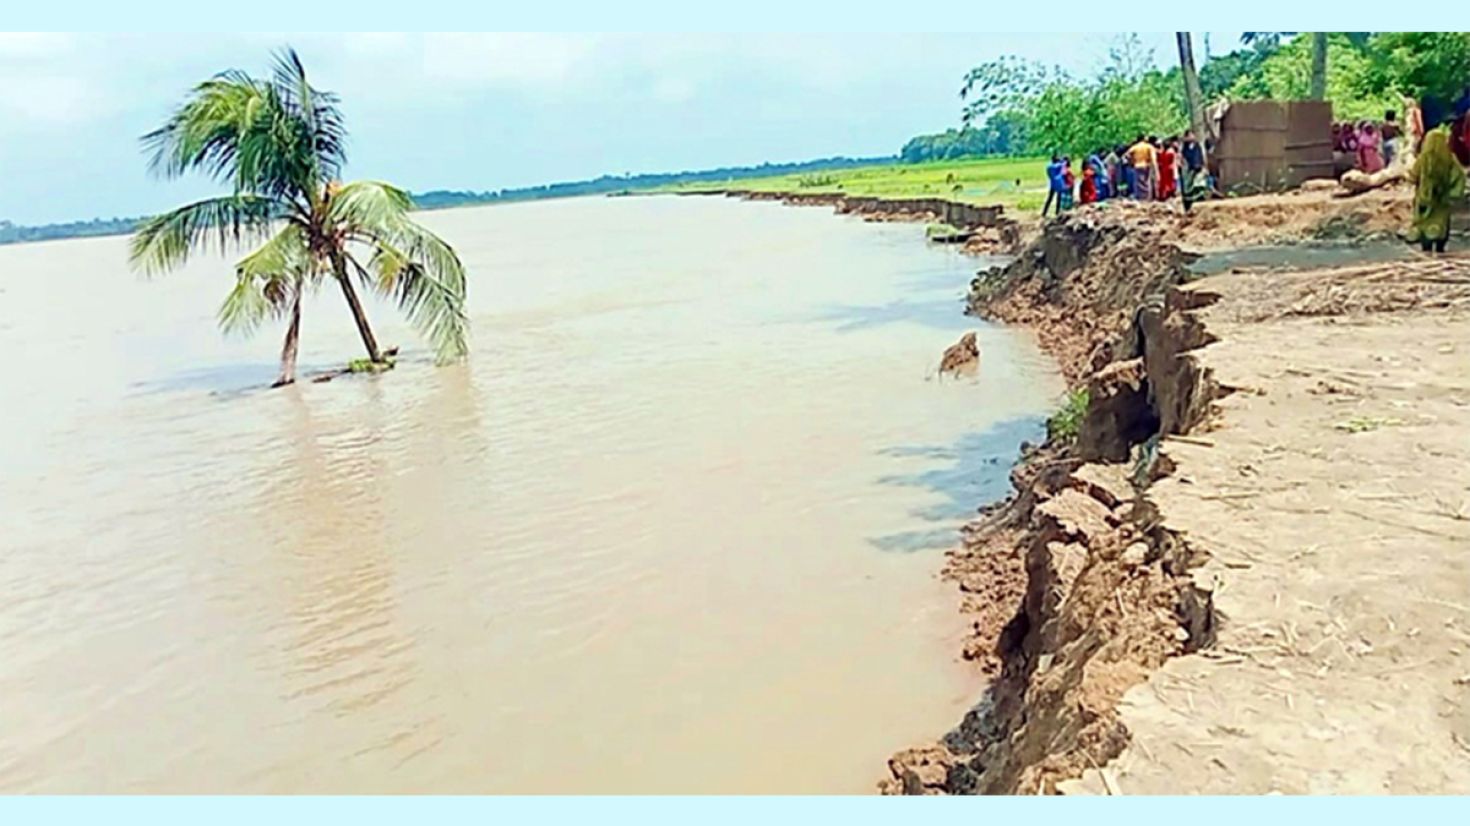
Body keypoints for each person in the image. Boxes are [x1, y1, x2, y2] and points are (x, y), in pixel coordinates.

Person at [1406, 126, 1466, 253]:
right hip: (1441, 200)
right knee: (1440, 222)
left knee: (1424, 222)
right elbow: (1459, 176)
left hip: (1423, 199)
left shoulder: (1422, 159)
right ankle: (1439, 247)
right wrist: (1454, 193)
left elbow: (1413, 175)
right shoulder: (1450, 159)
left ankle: (1425, 247)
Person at [1179, 130, 1208, 212]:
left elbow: (1202, 157)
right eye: (1189, 136)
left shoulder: (1198, 146)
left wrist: (1204, 167)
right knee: (1187, 189)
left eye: (1192, 135)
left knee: (1199, 186)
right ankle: (1188, 207)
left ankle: (1199, 204)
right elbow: (1181, 159)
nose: (1192, 137)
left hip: (1198, 170)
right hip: (1188, 170)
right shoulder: (1184, 147)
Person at [1128, 134, 1156, 201]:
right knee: (1146, 182)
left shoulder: (1135, 147)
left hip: (1137, 165)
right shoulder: (1149, 146)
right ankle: (1147, 197)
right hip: (1146, 165)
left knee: (1138, 182)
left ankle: (1140, 197)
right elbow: (1153, 158)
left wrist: (1132, 161)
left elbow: (1128, 155)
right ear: (1144, 139)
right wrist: (1154, 166)